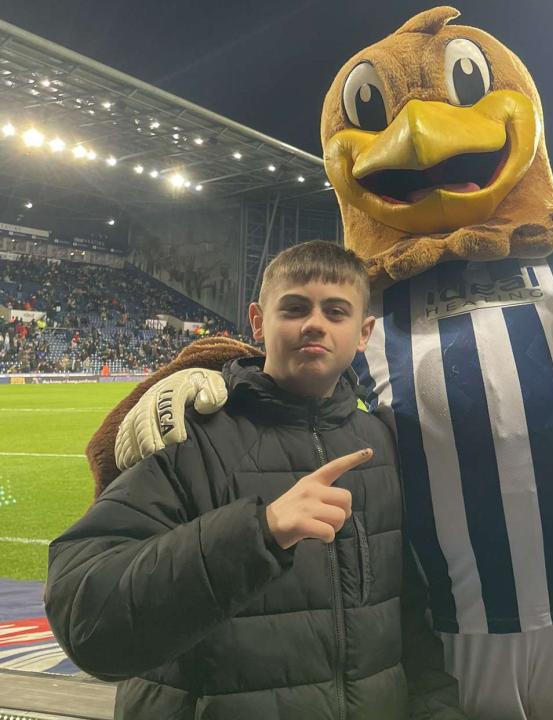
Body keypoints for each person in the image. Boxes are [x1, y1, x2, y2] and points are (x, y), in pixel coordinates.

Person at [44, 241, 466, 720]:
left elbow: (406, 616)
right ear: (258, 321)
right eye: (294, 307)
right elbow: (87, 621)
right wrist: (258, 532)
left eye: (336, 311)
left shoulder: (382, 444)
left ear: (364, 332)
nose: (314, 323)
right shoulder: (188, 437)